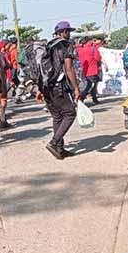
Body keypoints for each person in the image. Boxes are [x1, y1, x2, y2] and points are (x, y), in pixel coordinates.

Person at [38, 21, 81, 159]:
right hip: (58, 86)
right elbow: (69, 68)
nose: (69, 34)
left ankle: (60, 149)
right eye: (68, 31)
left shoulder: (48, 46)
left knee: (57, 117)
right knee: (70, 113)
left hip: (46, 87)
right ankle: (54, 142)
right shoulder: (65, 45)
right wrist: (76, 88)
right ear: (63, 32)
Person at [80, 37, 103, 104]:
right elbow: (98, 58)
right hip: (92, 70)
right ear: (89, 41)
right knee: (92, 85)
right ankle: (83, 98)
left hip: (84, 69)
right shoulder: (93, 48)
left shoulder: (81, 49)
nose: (93, 42)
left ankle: (84, 98)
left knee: (87, 85)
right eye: (92, 41)